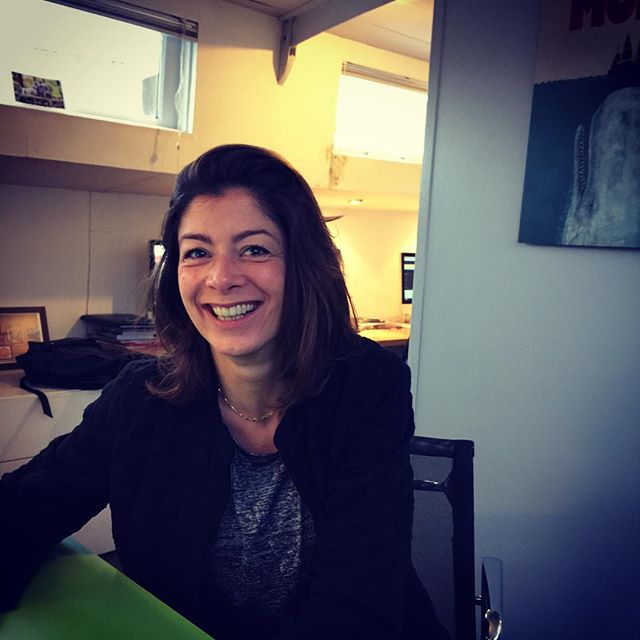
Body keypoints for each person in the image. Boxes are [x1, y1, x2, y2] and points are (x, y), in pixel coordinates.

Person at [0, 144, 449, 640]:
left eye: (254, 249)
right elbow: (25, 509)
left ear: (303, 263)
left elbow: (355, 609)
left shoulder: (368, 386)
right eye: (197, 252)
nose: (221, 278)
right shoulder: (140, 398)